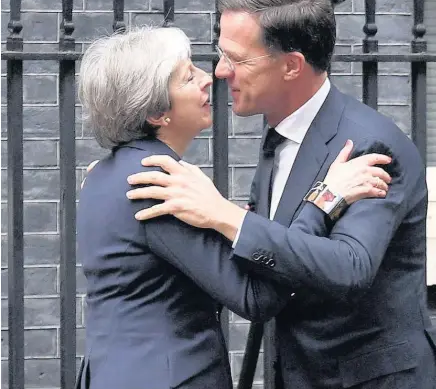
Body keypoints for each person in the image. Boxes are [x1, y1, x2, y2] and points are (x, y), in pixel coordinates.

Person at [124, 0, 436, 389]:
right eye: (221, 54)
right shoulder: (281, 134)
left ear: (291, 66)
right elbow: (276, 248)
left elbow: (349, 267)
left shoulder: (367, 146)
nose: (219, 72)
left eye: (236, 59)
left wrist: (225, 215)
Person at [76, 26, 392, 389]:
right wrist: (323, 200)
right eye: (186, 76)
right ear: (157, 112)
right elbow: (256, 297)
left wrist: (227, 220)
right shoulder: (156, 182)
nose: (207, 78)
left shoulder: (105, 175)